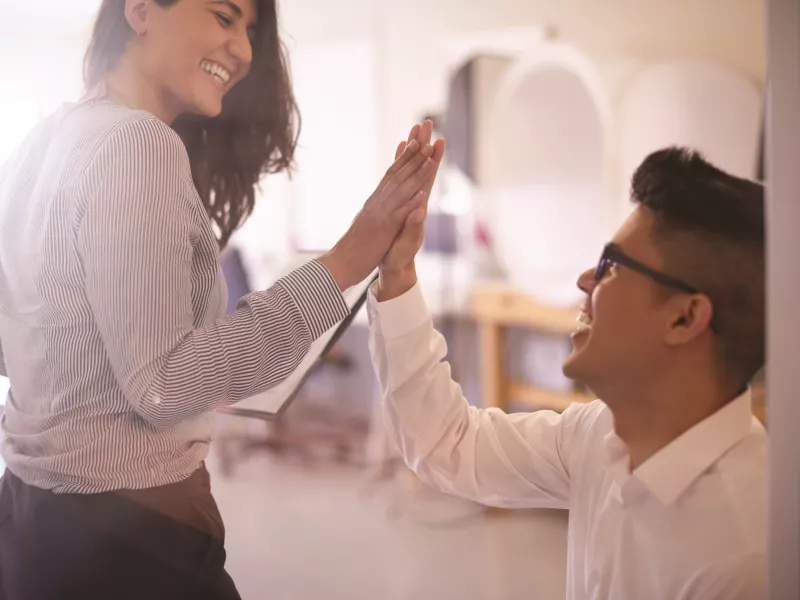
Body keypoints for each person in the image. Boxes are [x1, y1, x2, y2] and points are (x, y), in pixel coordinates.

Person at [0, 0, 444, 598]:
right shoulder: (137, 142)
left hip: (32, 522)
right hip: (131, 540)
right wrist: (348, 259)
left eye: (249, 31)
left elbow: (16, 350)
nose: (243, 50)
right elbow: (163, 386)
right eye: (223, 16)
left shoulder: (42, 140)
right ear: (140, 10)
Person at [369, 146, 766, 599]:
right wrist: (397, 271)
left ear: (684, 318)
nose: (584, 280)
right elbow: (450, 445)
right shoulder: (600, 434)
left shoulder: (744, 559)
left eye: (611, 266)